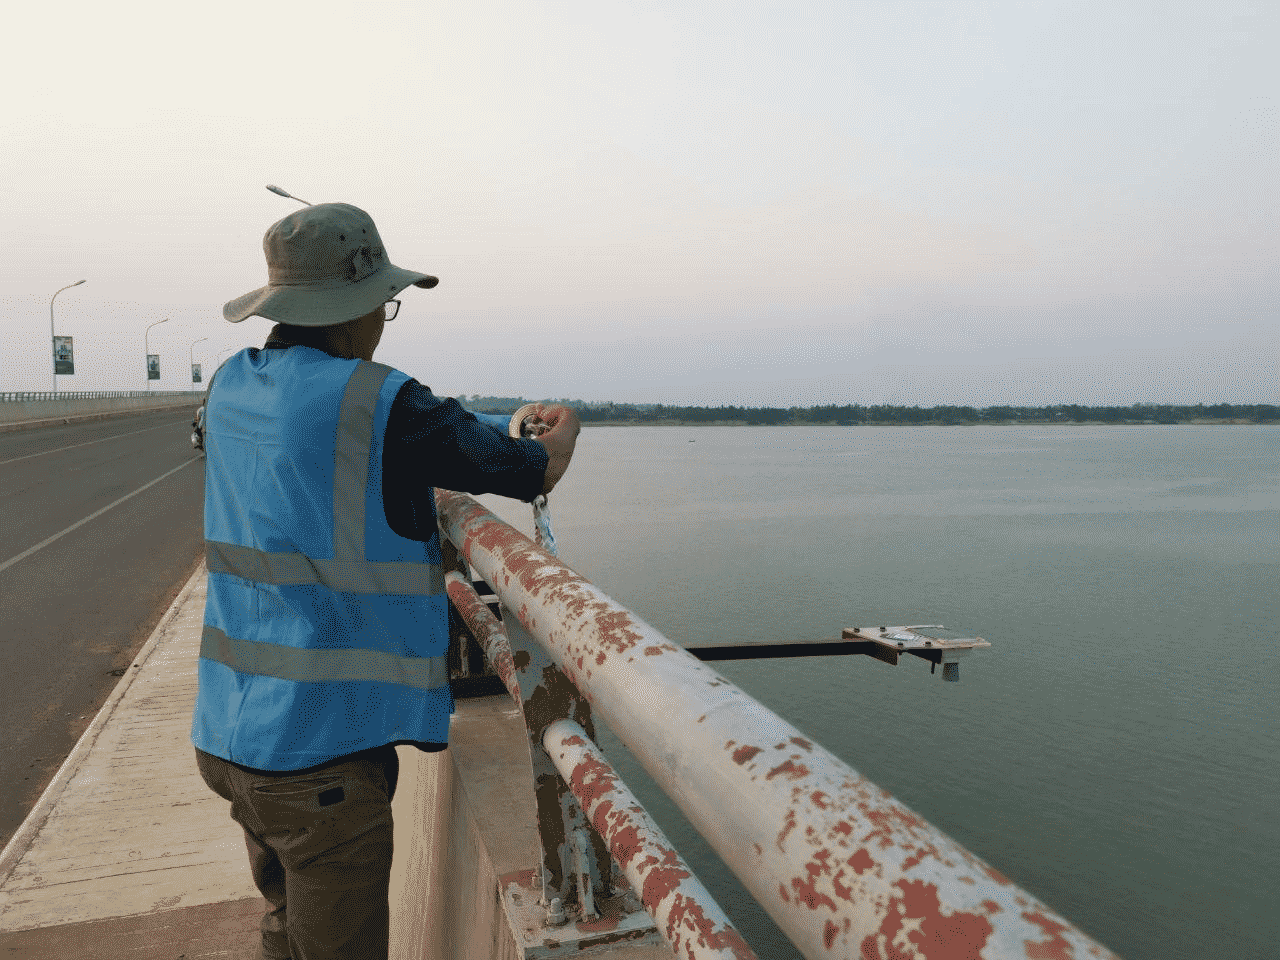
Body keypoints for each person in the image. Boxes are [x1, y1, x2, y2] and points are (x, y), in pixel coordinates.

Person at [191, 202, 580, 960]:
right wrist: (560, 434)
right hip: (321, 756)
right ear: (352, 310)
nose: (382, 321)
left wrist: (495, 424)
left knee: (288, 929)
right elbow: (528, 469)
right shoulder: (379, 401)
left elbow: (381, 444)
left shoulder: (231, 384)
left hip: (231, 735)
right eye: (384, 304)